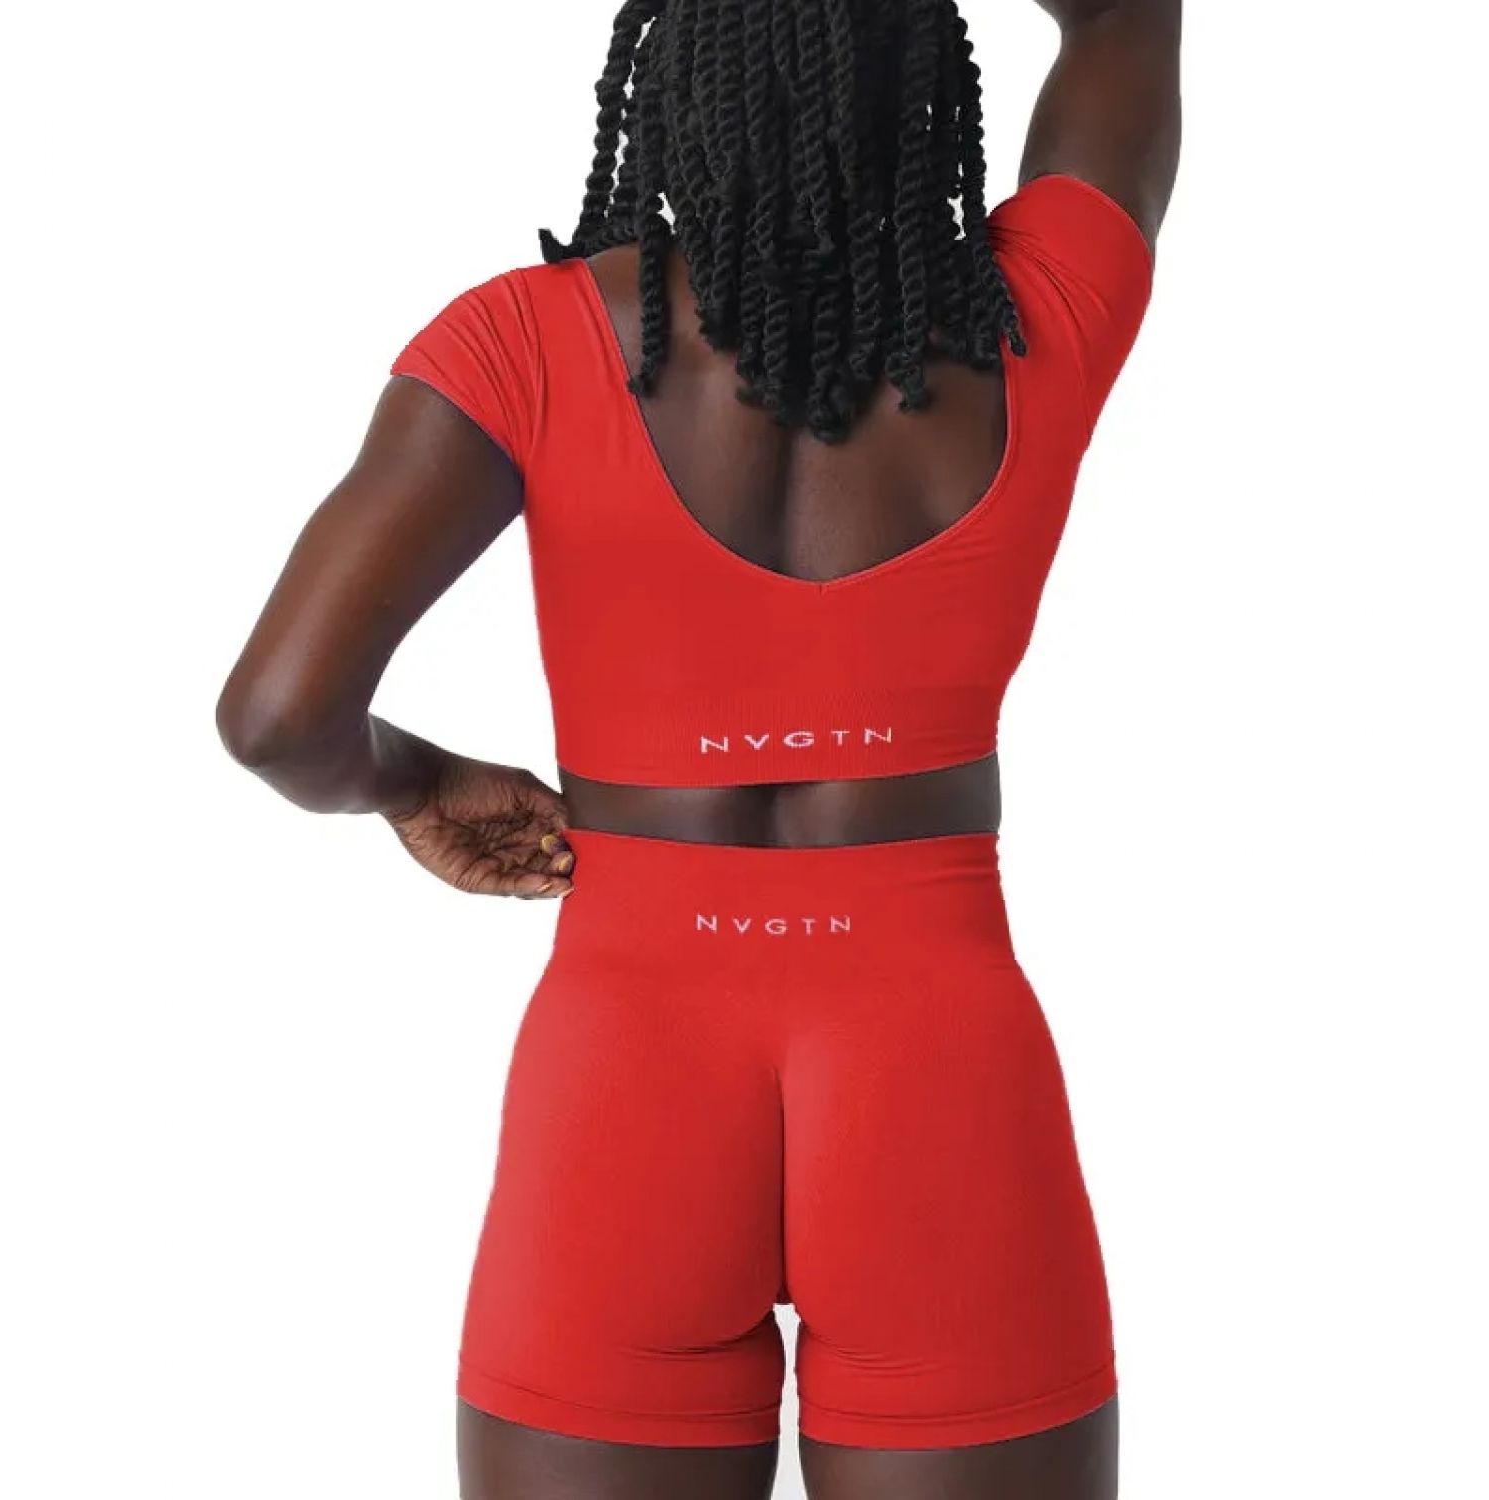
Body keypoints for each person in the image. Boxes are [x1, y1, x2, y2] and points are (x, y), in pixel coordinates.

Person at [216, 0, 1181, 1494]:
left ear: (673, 81)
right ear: (926, 76)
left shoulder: (525, 340)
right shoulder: (1032, 320)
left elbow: (279, 716)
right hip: (939, 1060)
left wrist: (413, 782)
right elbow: (1124, 23)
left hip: (627, 1061)